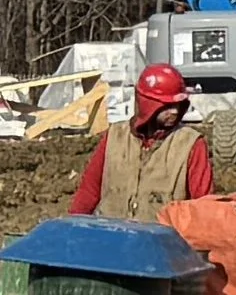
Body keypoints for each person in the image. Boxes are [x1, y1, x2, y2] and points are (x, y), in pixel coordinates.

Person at [69, 64, 215, 222]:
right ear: (148, 104)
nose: (174, 111)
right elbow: (89, 191)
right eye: (167, 106)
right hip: (112, 238)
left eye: (178, 105)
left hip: (163, 244)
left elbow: (204, 206)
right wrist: (71, 228)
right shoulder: (115, 137)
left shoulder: (190, 144)